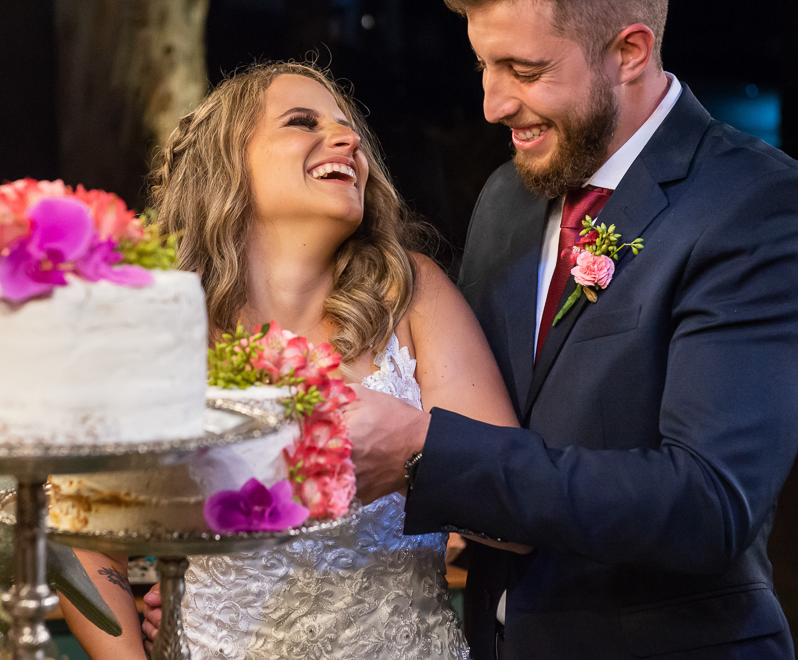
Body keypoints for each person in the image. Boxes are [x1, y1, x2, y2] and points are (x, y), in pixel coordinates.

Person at [346, 0, 798, 660]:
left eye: (523, 67)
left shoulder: (766, 207)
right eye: (483, 64)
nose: (492, 103)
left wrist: (426, 453)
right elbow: (499, 440)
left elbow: (707, 503)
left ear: (630, 49)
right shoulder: (507, 198)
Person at [60, 60, 520, 659]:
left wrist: (414, 453)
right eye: (302, 122)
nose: (348, 139)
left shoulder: (412, 296)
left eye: (349, 127)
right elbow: (82, 537)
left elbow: (515, 510)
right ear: (227, 165)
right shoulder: (165, 325)